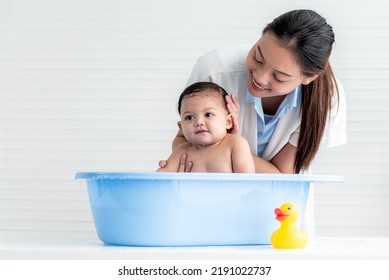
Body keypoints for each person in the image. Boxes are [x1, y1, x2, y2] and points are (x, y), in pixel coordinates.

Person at [160, 9, 346, 174]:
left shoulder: (326, 99)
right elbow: (185, 141)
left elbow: (281, 174)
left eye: (279, 76)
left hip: (281, 202)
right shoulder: (215, 70)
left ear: (309, 77)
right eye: (258, 57)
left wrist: (229, 144)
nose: (260, 77)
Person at [157, 82, 255, 173]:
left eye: (208, 114)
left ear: (228, 121)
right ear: (181, 127)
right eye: (189, 117)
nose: (199, 122)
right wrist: (162, 171)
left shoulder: (235, 144)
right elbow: (159, 181)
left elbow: (248, 183)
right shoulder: (182, 152)